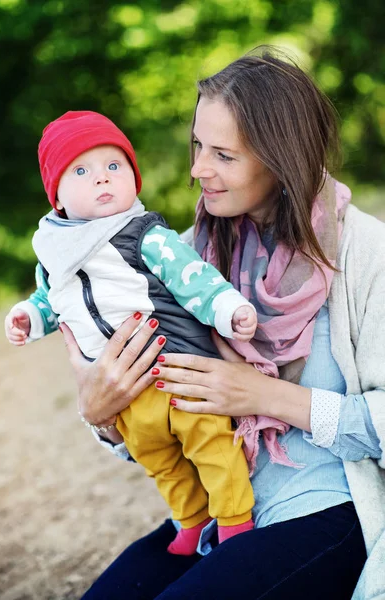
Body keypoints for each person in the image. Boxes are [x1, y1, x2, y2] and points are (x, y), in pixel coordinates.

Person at [54, 48, 384, 599]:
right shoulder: (180, 258)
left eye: (223, 155)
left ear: (281, 160)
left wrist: (264, 395)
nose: (197, 170)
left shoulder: (365, 254)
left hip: (327, 513)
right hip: (220, 511)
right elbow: (154, 420)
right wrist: (101, 414)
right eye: (197, 146)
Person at [5, 109, 263, 555]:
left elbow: (193, 277)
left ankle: (235, 520)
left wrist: (228, 309)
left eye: (113, 166)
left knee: (210, 443)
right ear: (58, 199)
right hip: (126, 394)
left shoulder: (144, 234)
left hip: (178, 368)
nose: (102, 179)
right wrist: (30, 316)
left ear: (133, 178)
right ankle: (192, 519)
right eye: (82, 171)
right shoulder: (54, 255)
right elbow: (53, 302)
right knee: (158, 459)